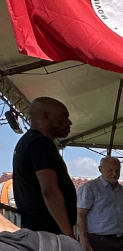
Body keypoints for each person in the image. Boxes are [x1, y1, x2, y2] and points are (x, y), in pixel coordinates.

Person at [11, 97, 78, 237]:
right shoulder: (40, 143)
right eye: (63, 116)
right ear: (46, 116)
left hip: (37, 230)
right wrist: (68, 234)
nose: (69, 122)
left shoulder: (27, 142)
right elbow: (49, 190)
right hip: (48, 232)